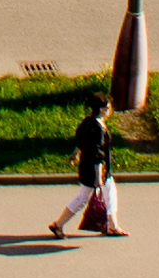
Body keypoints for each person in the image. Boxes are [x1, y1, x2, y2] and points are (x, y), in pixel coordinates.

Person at [47, 86, 124, 237]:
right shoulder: (98, 129)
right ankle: (58, 224)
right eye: (108, 108)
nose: (109, 110)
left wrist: (75, 154)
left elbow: (80, 141)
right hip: (96, 171)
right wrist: (98, 178)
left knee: (109, 195)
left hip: (86, 167)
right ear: (101, 110)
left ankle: (113, 226)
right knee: (84, 199)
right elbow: (97, 154)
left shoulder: (87, 122)